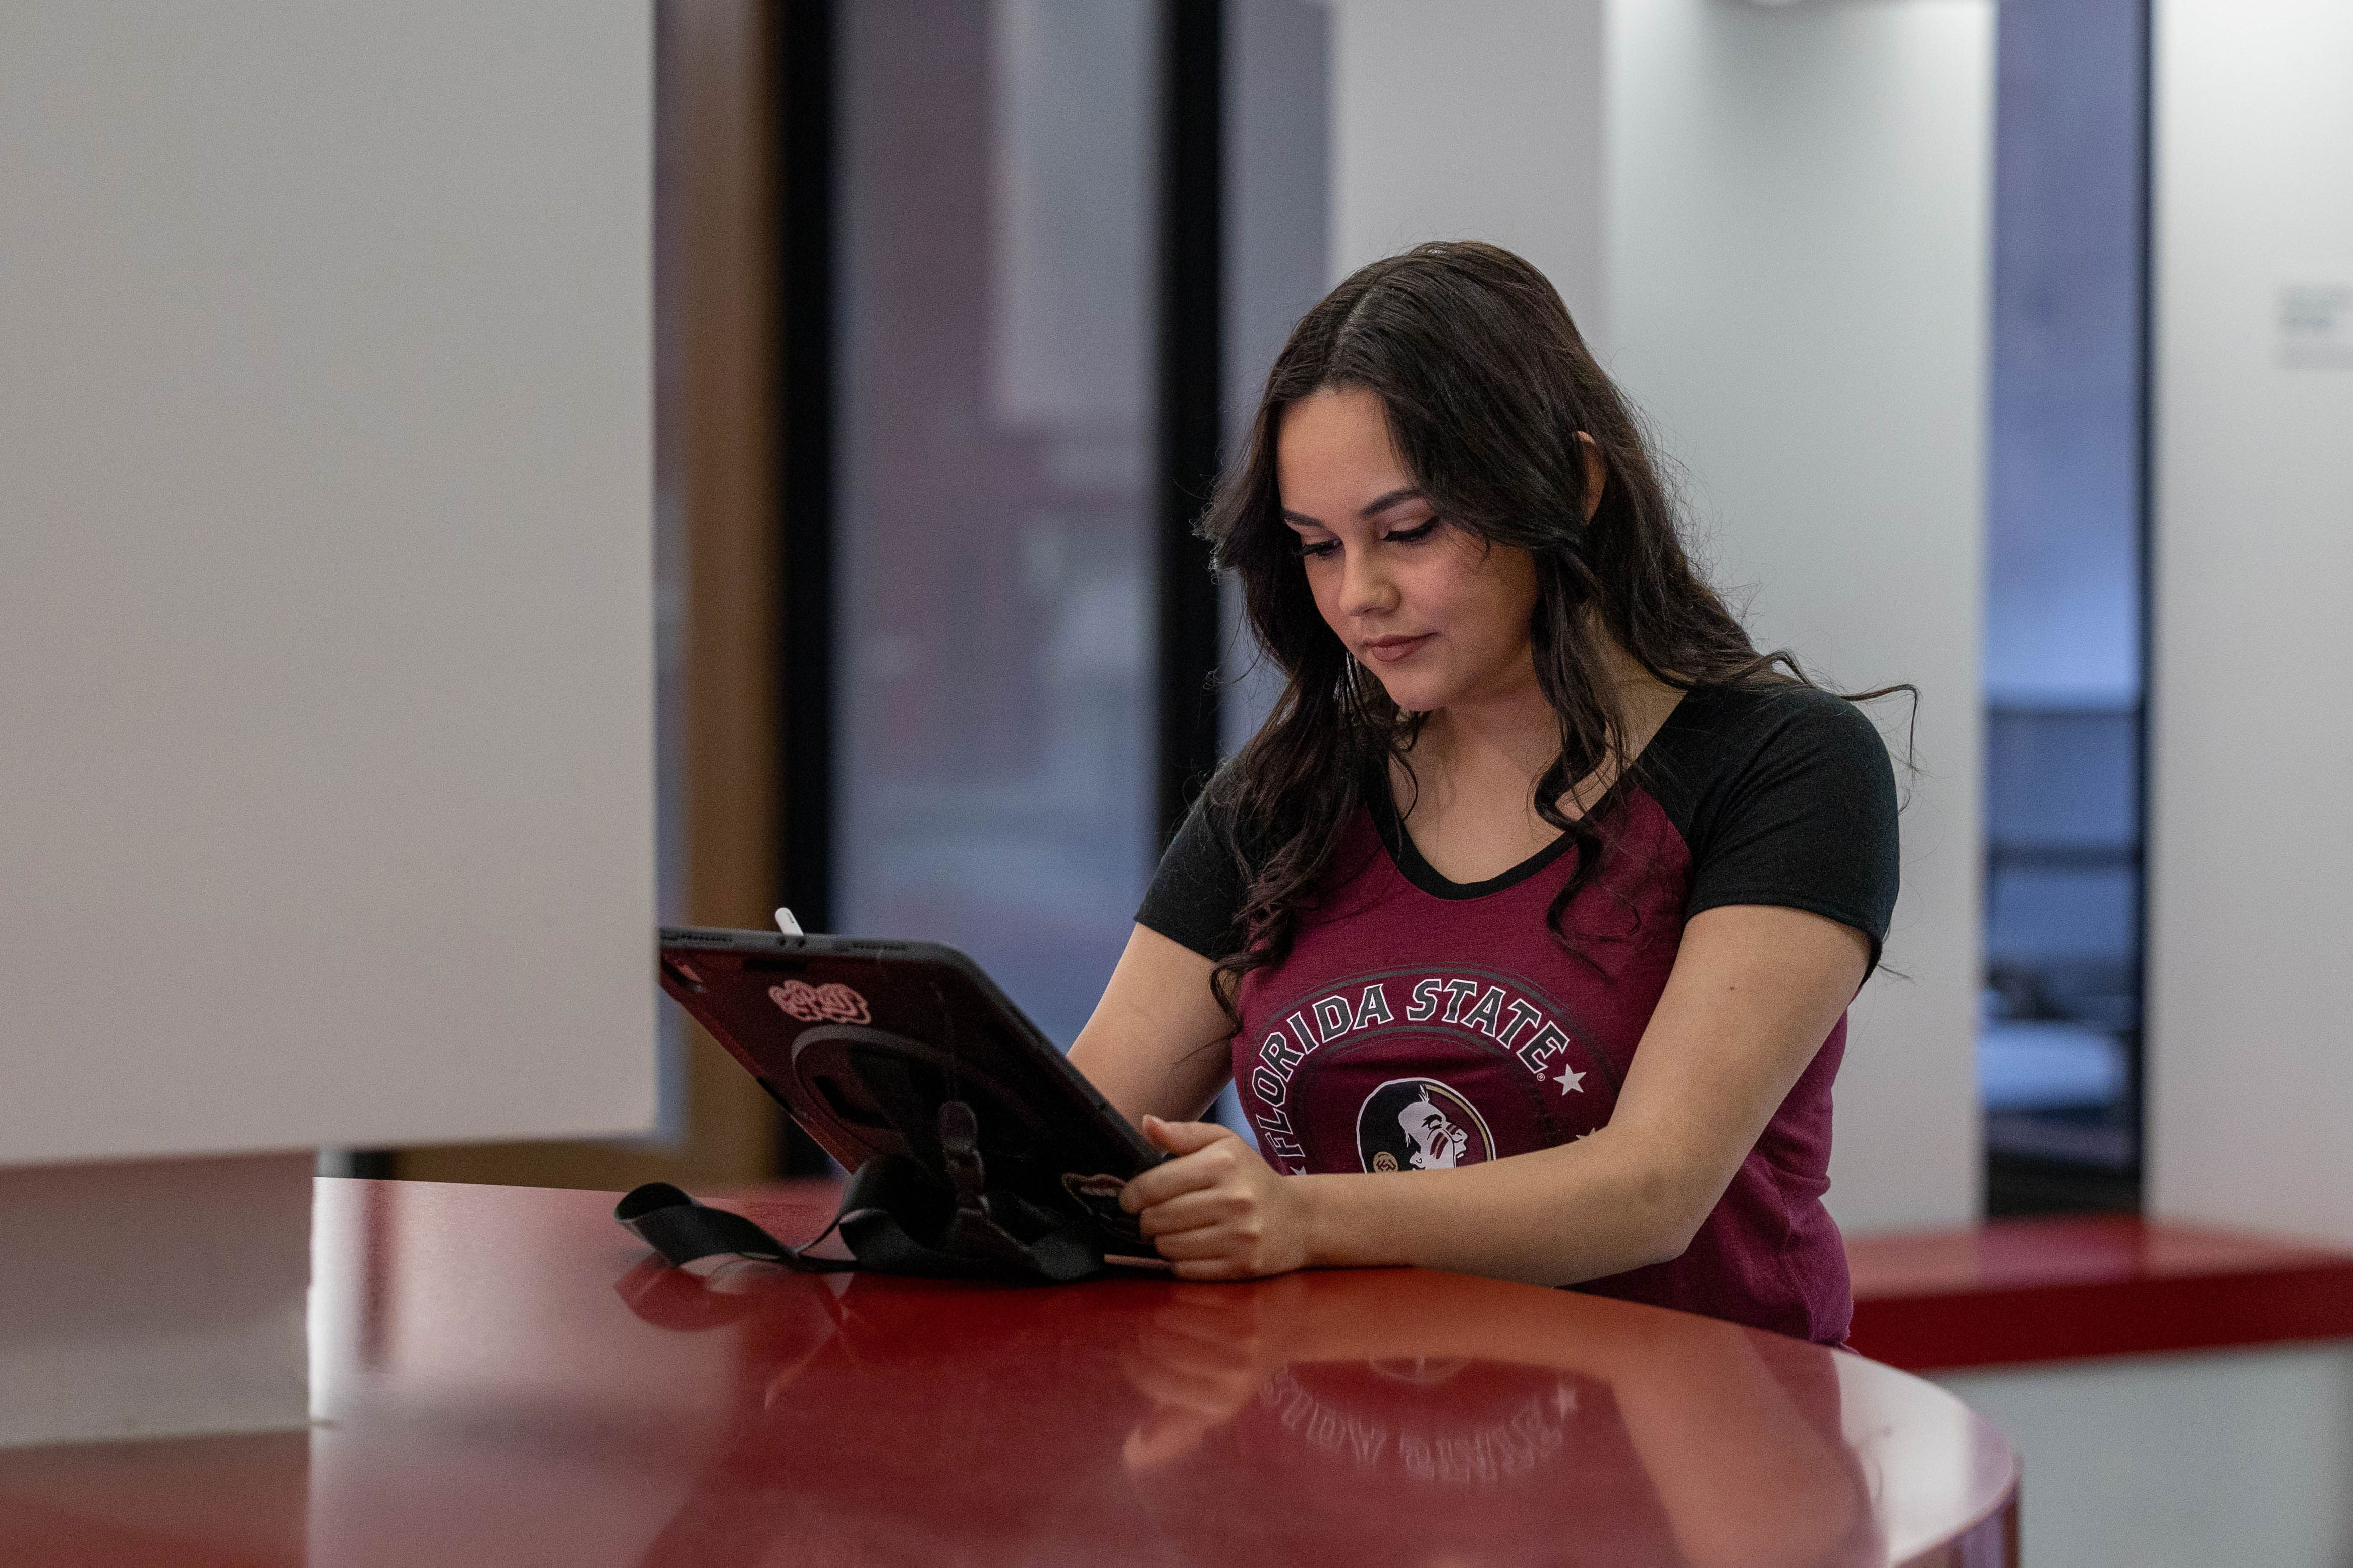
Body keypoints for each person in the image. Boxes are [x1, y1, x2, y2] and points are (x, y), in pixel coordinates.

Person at [1067, 240, 1900, 1345]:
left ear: (1573, 484)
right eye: (1318, 548)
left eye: (1409, 532)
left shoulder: (1785, 765)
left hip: (1698, 1469)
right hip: (1354, 1458)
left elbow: (1652, 1191)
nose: (1360, 595)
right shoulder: (1293, 792)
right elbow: (1081, 1127)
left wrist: (1300, 1214)